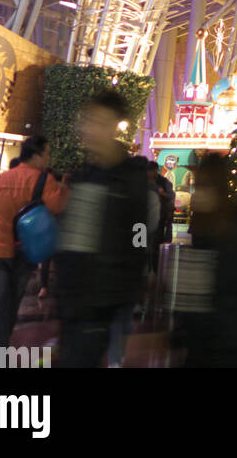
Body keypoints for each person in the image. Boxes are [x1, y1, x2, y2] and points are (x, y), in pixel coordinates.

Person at [54, 91, 149, 367]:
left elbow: (139, 231)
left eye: (98, 121)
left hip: (100, 298)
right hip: (72, 295)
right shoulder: (84, 174)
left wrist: (134, 275)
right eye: (88, 120)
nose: (89, 129)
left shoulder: (130, 178)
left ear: (114, 126)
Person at [0, 137, 69, 348]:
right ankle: (1, 345)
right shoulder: (43, 180)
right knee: (12, 301)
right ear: (36, 155)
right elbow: (57, 207)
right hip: (23, 250)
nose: (49, 159)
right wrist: (65, 188)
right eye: (47, 154)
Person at [177, 154, 237, 367]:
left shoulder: (235, 228)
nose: (196, 195)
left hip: (227, 341)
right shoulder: (203, 226)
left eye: (202, 187)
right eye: (196, 188)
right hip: (205, 343)